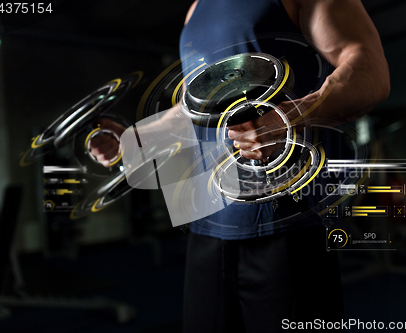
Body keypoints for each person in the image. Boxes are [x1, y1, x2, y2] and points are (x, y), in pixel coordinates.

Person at [91, 0, 389, 331]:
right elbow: (194, 107)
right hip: (206, 222)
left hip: (284, 221)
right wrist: (132, 138)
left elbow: (369, 68)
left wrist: (291, 116)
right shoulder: (195, 9)